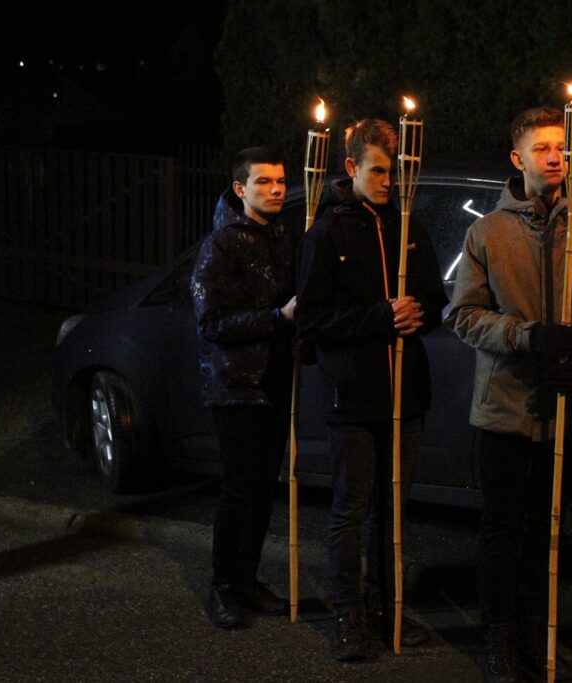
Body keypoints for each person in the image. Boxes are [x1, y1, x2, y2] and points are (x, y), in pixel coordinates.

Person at [445, 106, 572, 682]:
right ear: (517, 159)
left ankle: (537, 628)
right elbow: (463, 316)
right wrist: (525, 335)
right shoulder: (487, 233)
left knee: (549, 529)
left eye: (562, 146)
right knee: (503, 529)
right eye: (542, 148)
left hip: (564, 410)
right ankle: (499, 634)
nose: (555, 157)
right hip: (506, 407)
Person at [294, 118, 447, 661]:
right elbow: (311, 319)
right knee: (352, 507)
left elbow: (434, 301)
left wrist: (417, 314)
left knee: (393, 507)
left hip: (406, 392)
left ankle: (389, 607)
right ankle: (348, 614)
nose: (388, 181)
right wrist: (381, 316)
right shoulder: (327, 232)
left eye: (395, 171)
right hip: (353, 393)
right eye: (378, 171)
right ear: (352, 167)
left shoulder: (409, 226)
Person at [191, 146, 296, 629]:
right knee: (239, 488)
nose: (276, 190)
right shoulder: (222, 245)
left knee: (262, 488)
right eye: (264, 182)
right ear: (241, 189)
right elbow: (211, 322)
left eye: (280, 181)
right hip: (235, 385)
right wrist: (276, 317)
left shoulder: (281, 236)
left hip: (273, 379)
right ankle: (224, 585)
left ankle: (247, 578)